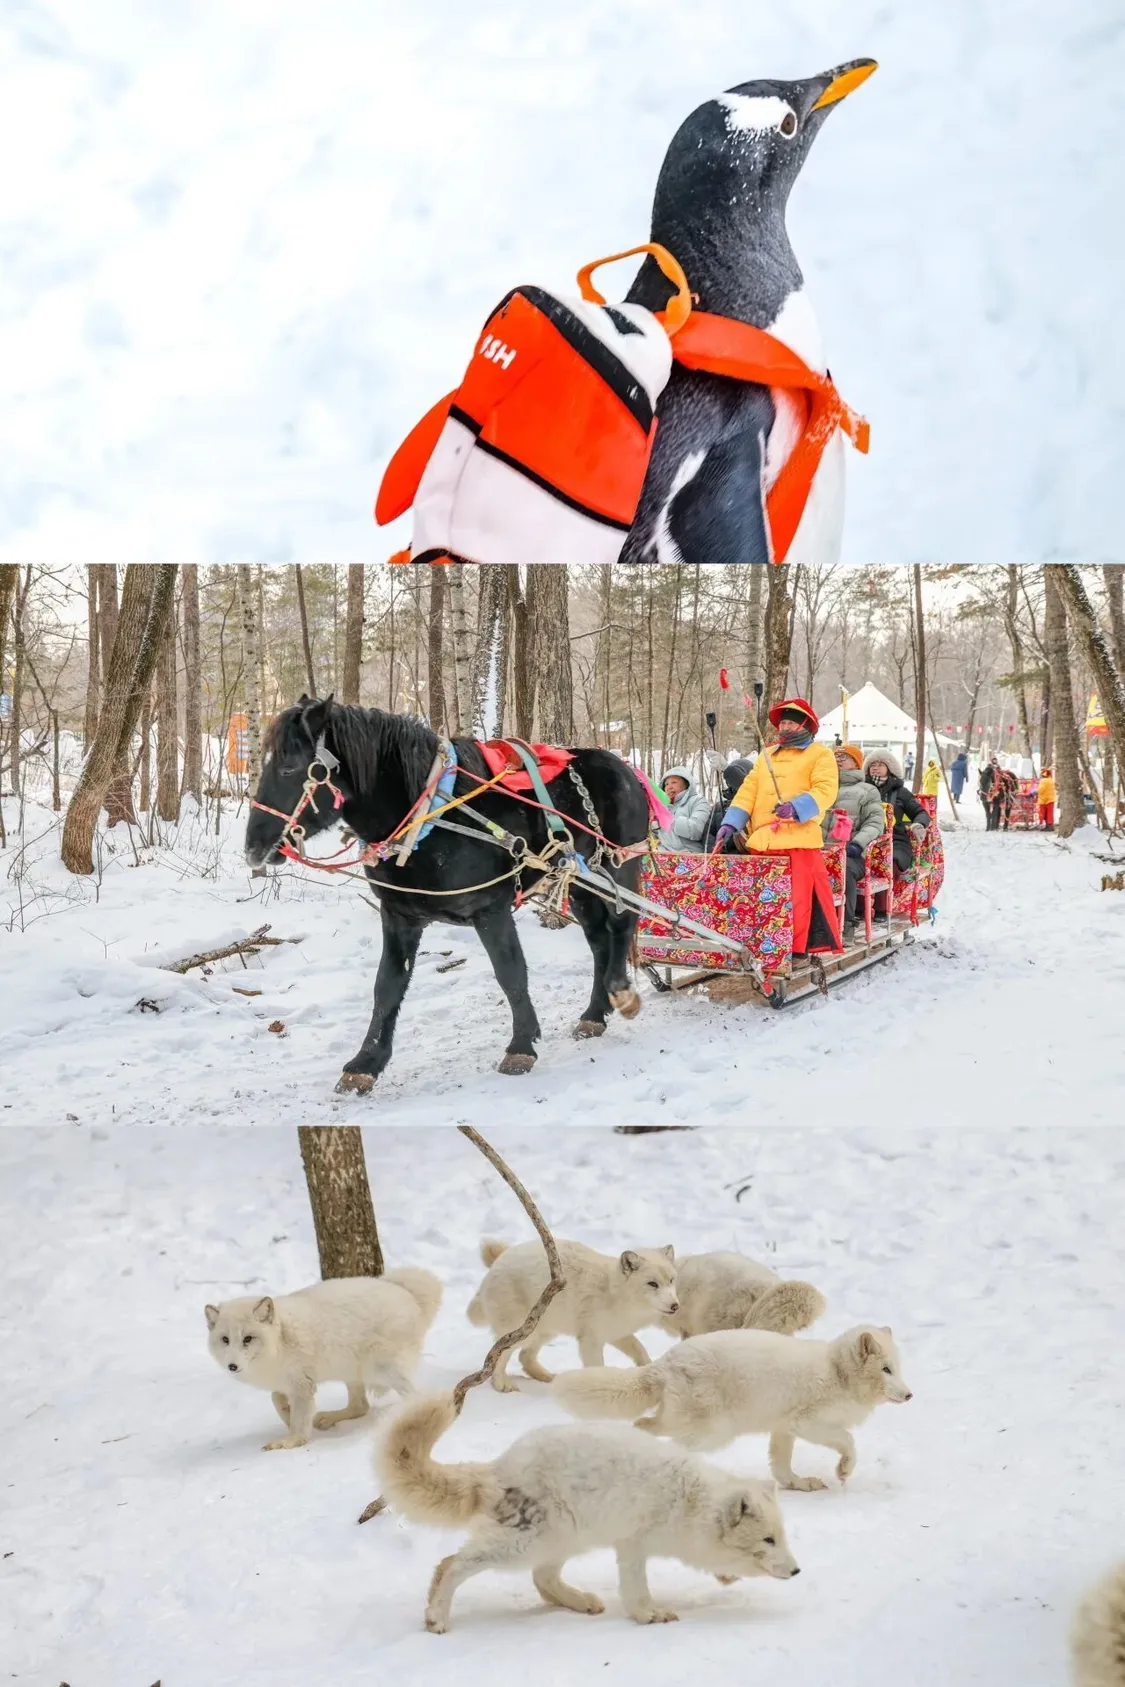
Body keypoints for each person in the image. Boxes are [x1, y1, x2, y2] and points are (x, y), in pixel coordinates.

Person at [715, 698, 841, 958]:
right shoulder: (766, 756)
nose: (784, 726)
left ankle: (794, 950)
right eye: (782, 722)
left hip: (799, 840)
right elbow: (748, 790)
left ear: (805, 725)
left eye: (790, 722)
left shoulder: (821, 754)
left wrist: (797, 808)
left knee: (797, 900)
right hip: (763, 841)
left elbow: (826, 790)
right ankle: (762, 946)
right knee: (760, 898)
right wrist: (731, 822)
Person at [821, 744, 886, 944]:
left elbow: (875, 822)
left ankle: (847, 925)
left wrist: (857, 844)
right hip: (821, 850)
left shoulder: (868, 791)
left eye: (844, 757)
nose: (839, 760)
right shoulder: (823, 788)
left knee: (844, 869)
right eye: (836, 757)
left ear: (857, 762)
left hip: (850, 853)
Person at [862, 751, 930, 922]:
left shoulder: (900, 792)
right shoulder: (862, 789)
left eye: (880, 765)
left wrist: (919, 824)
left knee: (889, 863)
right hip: (868, 838)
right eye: (872, 765)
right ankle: (859, 908)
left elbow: (920, 812)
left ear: (890, 768)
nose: (875, 768)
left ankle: (881, 909)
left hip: (896, 841)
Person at [655, 766, 713, 853]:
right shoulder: (662, 807)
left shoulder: (698, 801)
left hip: (690, 856)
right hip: (663, 856)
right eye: (666, 784)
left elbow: (696, 830)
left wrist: (669, 820)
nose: (669, 787)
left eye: (674, 782)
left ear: (686, 784)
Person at [703, 757, 753, 851]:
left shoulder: (756, 806)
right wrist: (714, 849)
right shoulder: (718, 807)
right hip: (721, 858)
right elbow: (708, 834)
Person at [979, 759, 1001, 831]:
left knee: (995, 808)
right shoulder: (986, 774)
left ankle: (993, 825)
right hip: (987, 790)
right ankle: (989, 825)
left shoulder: (997, 771)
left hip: (994, 790)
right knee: (987, 811)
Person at [1037, 767, 1056, 831]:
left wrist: (1035, 792)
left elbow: (1040, 790)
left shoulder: (1044, 781)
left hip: (1044, 800)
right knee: (1050, 813)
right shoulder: (1051, 780)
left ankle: (1048, 827)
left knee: (1043, 813)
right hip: (1051, 799)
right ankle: (1050, 826)